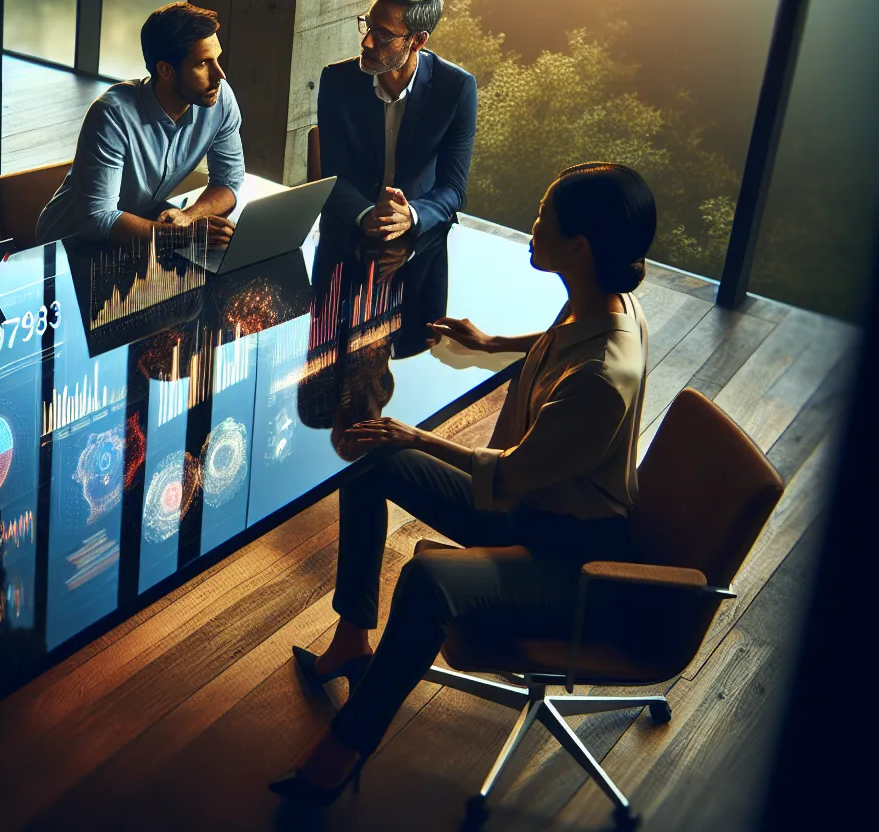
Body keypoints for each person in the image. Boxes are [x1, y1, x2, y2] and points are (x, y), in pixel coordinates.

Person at [269, 162, 656, 803]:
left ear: (580, 248)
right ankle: (351, 637)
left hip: (567, 553)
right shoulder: (611, 303)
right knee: (369, 458)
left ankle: (343, 751)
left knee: (427, 579)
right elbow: (567, 338)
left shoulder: (599, 379)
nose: (531, 227)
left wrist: (415, 436)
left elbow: (506, 477)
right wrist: (495, 341)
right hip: (535, 511)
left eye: (542, 219)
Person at [35, 1, 244, 247]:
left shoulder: (219, 98)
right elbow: (97, 219)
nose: (220, 75)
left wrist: (188, 218)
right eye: (202, 64)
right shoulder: (111, 114)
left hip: (135, 241)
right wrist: (185, 236)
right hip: (66, 247)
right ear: (166, 71)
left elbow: (228, 182)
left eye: (217, 59)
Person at [315, 0, 475, 242]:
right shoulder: (337, 81)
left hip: (419, 239)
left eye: (384, 35)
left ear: (418, 41)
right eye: (368, 26)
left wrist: (410, 215)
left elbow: (453, 188)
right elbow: (333, 175)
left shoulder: (456, 89)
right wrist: (366, 214)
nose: (366, 42)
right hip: (349, 231)